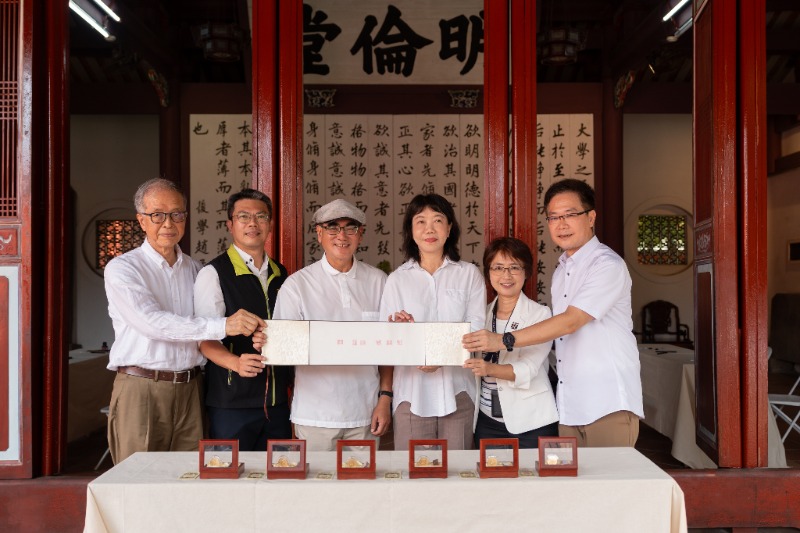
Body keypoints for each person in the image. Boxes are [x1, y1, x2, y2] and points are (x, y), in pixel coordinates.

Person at [463, 178, 643, 447]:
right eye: (554, 217)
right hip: (570, 404)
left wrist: (502, 340)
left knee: (609, 474)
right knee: (571, 475)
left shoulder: (607, 265)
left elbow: (571, 322)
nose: (561, 224)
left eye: (570, 215)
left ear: (591, 217)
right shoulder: (561, 271)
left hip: (608, 400)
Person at [104, 178, 265, 464]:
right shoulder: (123, 269)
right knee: (138, 477)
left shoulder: (196, 269)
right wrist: (223, 325)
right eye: (157, 215)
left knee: (189, 475)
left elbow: (203, 328)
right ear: (141, 220)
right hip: (142, 388)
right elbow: (152, 322)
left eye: (177, 214)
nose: (168, 223)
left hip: (192, 388)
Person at [272, 199, 391, 451]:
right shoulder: (298, 285)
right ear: (319, 234)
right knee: (316, 478)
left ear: (360, 234)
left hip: (365, 411)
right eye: (333, 228)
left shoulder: (379, 282)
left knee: (364, 477)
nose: (342, 236)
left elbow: (390, 349)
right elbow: (283, 348)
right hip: (314, 415)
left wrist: (385, 398)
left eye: (350, 228)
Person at [379, 194, 486, 450]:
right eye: (421, 221)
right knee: (414, 470)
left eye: (437, 220)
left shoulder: (468, 274)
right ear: (411, 230)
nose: (429, 229)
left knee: (458, 470)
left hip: (458, 390)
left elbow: (476, 327)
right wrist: (400, 330)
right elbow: (386, 337)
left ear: (449, 228)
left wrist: (440, 354)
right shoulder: (397, 279)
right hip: (411, 393)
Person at [193, 189, 291, 451]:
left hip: (277, 402)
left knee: (279, 470)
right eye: (244, 216)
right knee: (230, 473)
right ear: (230, 224)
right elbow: (204, 339)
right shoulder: (213, 273)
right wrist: (235, 363)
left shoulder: (281, 273)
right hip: (231, 404)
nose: (252, 223)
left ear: (270, 224)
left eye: (261, 216)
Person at [463, 237, 558, 448]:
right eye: (498, 267)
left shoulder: (540, 314)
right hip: (486, 421)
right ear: (488, 273)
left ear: (526, 272)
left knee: (532, 471)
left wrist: (489, 369)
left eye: (514, 267)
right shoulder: (481, 315)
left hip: (531, 420)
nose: (506, 275)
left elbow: (528, 369)